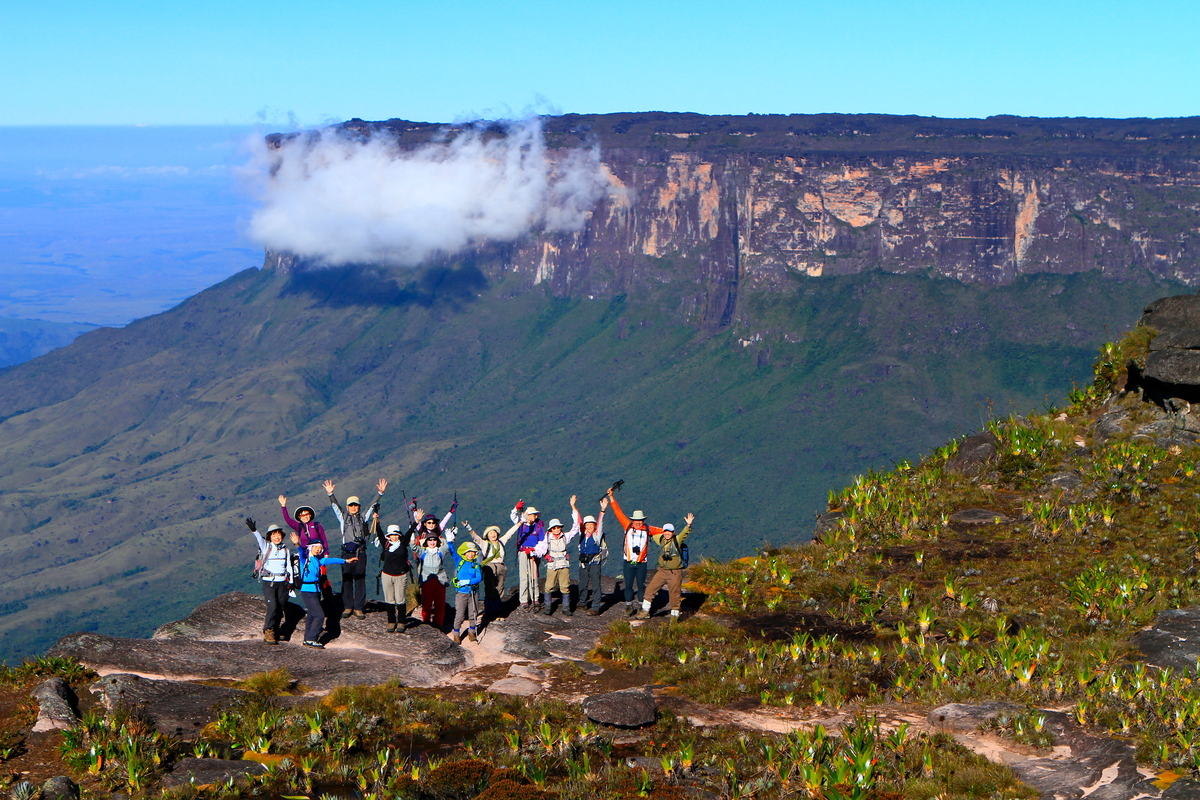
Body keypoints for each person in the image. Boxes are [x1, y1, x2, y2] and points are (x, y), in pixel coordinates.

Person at [324, 478, 386, 620]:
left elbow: (371, 506)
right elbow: (335, 506)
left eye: (355, 506)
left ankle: (358, 607)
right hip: (346, 553)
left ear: (358, 507)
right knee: (346, 580)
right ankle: (348, 606)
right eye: (351, 505)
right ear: (347, 507)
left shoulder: (363, 518)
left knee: (359, 580)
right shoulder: (343, 518)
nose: (353, 508)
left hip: (360, 552)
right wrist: (330, 494)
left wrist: (380, 493)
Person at [607, 488, 665, 616]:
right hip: (628, 561)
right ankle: (629, 606)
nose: (638, 523)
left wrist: (680, 531)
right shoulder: (627, 525)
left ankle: (641, 606)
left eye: (640, 521)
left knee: (641, 585)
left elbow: (664, 531)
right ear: (632, 520)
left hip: (641, 563)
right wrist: (612, 498)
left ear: (643, 520)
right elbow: (618, 513)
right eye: (636, 520)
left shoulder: (648, 529)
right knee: (628, 585)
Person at [635, 513, 694, 620]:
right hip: (662, 571)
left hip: (675, 572)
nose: (667, 533)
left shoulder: (677, 540)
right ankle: (645, 611)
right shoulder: (661, 539)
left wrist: (688, 525)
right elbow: (650, 533)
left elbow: (684, 534)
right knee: (650, 590)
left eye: (669, 531)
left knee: (674, 594)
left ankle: (674, 615)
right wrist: (640, 525)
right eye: (665, 531)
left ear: (673, 532)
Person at [297, 541, 356, 648]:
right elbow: (301, 551)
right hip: (307, 590)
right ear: (310, 548)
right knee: (319, 615)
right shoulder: (305, 558)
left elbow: (330, 560)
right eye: (316, 547)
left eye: (320, 548)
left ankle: (307, 639)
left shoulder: (318, 560)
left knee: (311, 615)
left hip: (315, 590)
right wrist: (297, 543)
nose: (318, 550)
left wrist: (346, 561)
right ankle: (311, 639)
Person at [247, 518, 295, 644]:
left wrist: (291, 581)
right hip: (269, 582)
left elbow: (288, 566)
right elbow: (259, 539)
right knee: (272, 605)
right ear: (270, 537)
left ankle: (276, 630)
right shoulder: (266, 547)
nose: (277, 537)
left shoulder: (285, 549)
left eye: (278, 534)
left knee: (280, 607)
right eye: (274, 535)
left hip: (283, 581)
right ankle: (268, 630)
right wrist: (254, 530)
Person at [410, 508, 456, 628]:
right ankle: (426, 622)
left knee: (439, 603)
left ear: (437, 541)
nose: (432, 542)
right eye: (430, 540)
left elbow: (448, 547)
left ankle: (438, 623)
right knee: (427, 602)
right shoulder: (423, 551)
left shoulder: (440, 550)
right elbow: (413, 548)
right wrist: (411, 538)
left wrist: (450, 538)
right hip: (427, 580)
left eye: (434, 540)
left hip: (439, 580)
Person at [467, 521, 517, 616]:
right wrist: (469, 528)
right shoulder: (485, 543)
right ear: (487, 535)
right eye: (491, 533)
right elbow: (476, 538)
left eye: (494, 532)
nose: (493, 534)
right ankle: (489, 611)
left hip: (500, 565)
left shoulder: (501, 542)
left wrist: (519, 523)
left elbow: (510, 533)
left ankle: (496, 609)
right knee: (489, 588)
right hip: (489, 566)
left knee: (500, 588)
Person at [534, 510, 579, 615]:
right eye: (554, 528)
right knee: (549, 586)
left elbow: (575, 528)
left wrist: (573, 508)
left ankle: (566, 609)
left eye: (558, 527)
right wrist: (545, 556)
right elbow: (539, 550)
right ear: (551, 529)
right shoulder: (546, 538)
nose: (557, 529)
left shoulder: (565, 537)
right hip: (552, 565)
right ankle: (548, 608)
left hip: (564, 564)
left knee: (565, 586)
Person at [375, 517, 414, 633]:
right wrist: (376, 522)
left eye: (396, 534)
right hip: (387, 575)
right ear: (389, 536)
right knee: (389, 599)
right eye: (392, 535)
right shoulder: (386, 544)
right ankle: (391, 622)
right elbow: (379, 532)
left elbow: (410, 531)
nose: (395, 536)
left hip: (401, 575)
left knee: (400, 599)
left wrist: (416, 521)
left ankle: (401, 622)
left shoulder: (403, 543)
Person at [573, 495, 609, 615]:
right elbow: (578, 521)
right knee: (582, 584)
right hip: (583, 563)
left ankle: (595, 607)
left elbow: (601, 523)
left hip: (594, 563)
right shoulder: (582, 534)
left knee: (595, 584)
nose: (589, 526)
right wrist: (573, 507)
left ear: (594, 526)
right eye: (587, 524)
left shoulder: (596, 535)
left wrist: (602, 510)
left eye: (591, 524)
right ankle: (582, 602)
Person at [509, 501, 545, 611]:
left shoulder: (539, 527)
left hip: (534, 553)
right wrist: (516, 507)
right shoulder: (521, 524)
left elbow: (542, 542)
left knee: (533, 576)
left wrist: (534, 550)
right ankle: (524, 600)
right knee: (524, 576)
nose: (531, 517)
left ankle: (535, 598)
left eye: (533, 515)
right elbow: (513, 516)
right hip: (523, 552)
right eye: (529, 514)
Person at [448, 540, 483, 643]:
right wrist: (450, 541)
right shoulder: (459, 561)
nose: (471, 554)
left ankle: (472, 632)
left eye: (473, 552)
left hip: (473, 592)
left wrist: (468, 581)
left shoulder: (476, 565)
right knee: (460, 614)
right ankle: (456, 633)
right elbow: (452, 552)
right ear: (464, 553)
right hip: (461, 593)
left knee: (473, 613)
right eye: (468, 552)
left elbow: (479, 578)